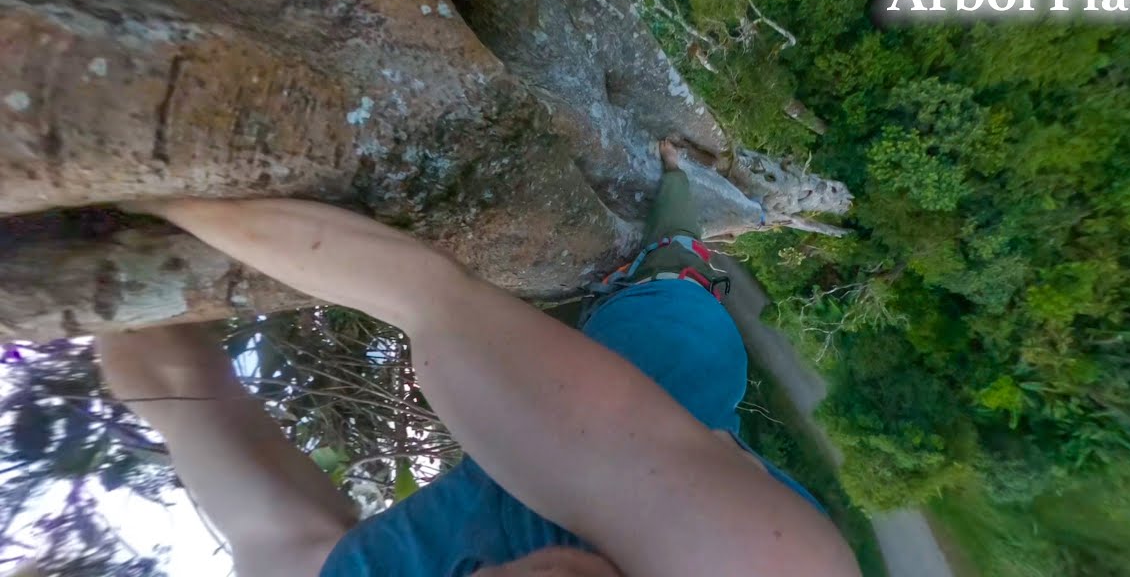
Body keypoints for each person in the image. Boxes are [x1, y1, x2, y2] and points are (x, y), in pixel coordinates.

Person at [97, 140, 860, 577]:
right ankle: (678, 211)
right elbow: (425, 298)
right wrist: (156, 193)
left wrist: (102, 284)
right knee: (673, 303)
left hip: (514, 503)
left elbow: (190, 403)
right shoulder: (762, 562)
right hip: (667, 430)